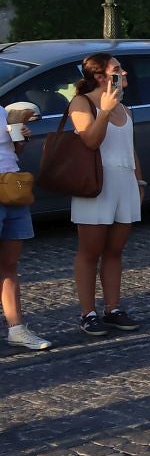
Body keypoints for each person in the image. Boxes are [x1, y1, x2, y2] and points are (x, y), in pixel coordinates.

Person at [65, 53, 144, 336]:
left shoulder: (126, 108)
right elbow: (90, 141)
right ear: (100, 77)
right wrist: (106, 111)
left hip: (124, 183)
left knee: (115, 251)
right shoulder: (82, 102)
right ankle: (88, 313)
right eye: (117, 70)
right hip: (95, 185)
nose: (124, 74)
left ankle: (113, 307)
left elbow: (130, 148)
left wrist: (140, 182)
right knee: (90, 251)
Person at [2, 103, 50, 350]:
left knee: (9, 264)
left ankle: (17, 329)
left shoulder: (2, 110)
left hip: (13, 186)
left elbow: (13, 152)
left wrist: (20, 138)